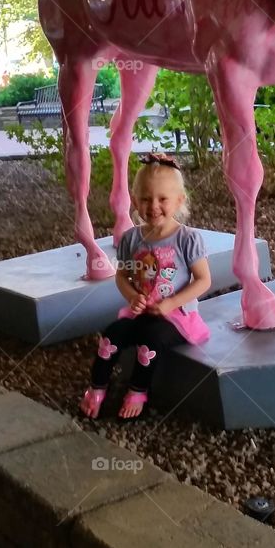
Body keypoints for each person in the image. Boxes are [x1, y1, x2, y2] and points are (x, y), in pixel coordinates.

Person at [80, 153, 212, 420]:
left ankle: (138, 390)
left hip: (175, 317)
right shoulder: (131, 239)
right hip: (139, 312)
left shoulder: (188, 239)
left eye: (162, 199)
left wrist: (170, 303)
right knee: (112, 334)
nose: (153, 206)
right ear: (134, 200)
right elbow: (122, 276)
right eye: (145, 198)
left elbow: (203, 280)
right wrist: (131, 297)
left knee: (150, 340)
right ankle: (97, 387)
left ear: (179, 200)